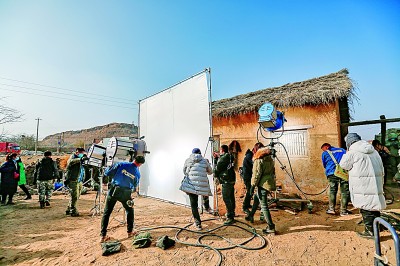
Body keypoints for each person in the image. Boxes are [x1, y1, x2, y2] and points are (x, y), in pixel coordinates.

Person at [340, 133, 386, 239]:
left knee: (366, 207)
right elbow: (381, 166)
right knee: (374, 206)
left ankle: (371, 233)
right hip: (375, 183)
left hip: (362, 185)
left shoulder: (352, 152)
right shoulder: (373, 151)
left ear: (349, 143)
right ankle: (376, 227)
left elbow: (344, 165)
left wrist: (346, 153)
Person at [100, 156, 145, 242]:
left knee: (107, 212)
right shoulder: (137, 173)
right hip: (125, 193)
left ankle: (103, 236)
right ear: (140, 164)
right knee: (130, 211)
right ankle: (130, 232)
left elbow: (108, 173)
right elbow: (134, 186)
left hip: (113, 190)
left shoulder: (121, 164)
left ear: (134, 159)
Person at [181, 148, 213, 230]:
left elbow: (184, 171)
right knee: (205, 193)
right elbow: (210, 172)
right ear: (200, 153)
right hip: (202, 185)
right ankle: (207, 207)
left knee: (194, 205)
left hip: (192, 186)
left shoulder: (188, 160)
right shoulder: (204, 160)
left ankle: (198, 223)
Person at [250, 147, 276, 235]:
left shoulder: (259, 161)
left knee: (264, 206)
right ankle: (251, 215)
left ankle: (271, 226)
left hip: (262, 185)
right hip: (269, 183)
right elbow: (273, 172)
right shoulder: (270, 160)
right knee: (258, 198)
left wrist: (252, 186)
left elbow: (256, 175)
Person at [321, 143, 351, 216]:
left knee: (332, 190)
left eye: (323, 149)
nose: (323, 150)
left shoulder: (325, 153)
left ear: (327, 146)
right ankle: (343, 211)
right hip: (343, 173)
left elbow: (324, 164)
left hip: (332, 173)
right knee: (345, 191)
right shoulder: (342, 150)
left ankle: (331, 209)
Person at [213, 144, 236, 225]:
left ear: (222, 150)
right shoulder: (230, 156)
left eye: (220, 150)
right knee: (231, 196)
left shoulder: (223, 158)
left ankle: (230, 217)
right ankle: (232, 213)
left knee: (226, 197)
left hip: (226, 180)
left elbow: (217, 169)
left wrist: (216, 159)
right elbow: (225, 163)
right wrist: (219, 157)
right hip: (231, 179)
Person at [64, 147, 87, 216]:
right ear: (77, 152)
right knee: (74, 195)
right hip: (73, 180)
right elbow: (70, 162)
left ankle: (69, 208)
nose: (82, 154)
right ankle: (72, 210)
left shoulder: (82, 159)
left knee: (76, 196)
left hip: (79, 180)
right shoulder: (73, 157)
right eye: (80, 153)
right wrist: (80, 159)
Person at [242, 143, 264, 214]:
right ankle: (245, 207)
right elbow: (255, 163)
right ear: (255, 149)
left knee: (251, 191)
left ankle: (248, 204)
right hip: (247, 176)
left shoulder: (252, 155)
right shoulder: (249, 156)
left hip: (251, 176)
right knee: (249, 191)